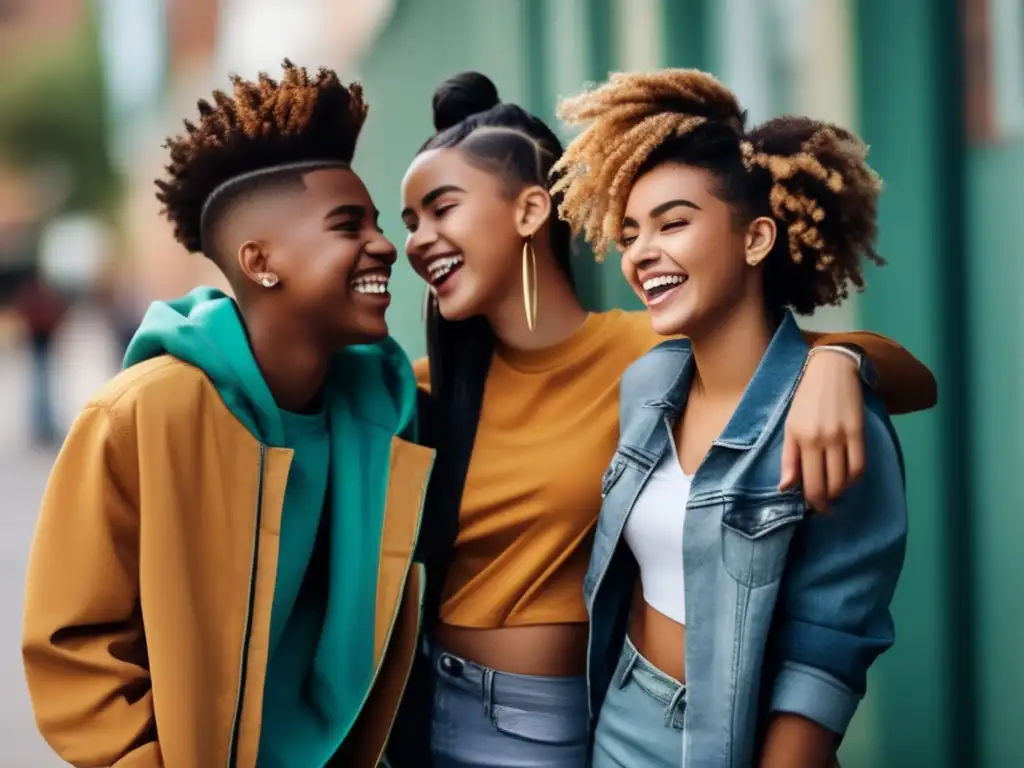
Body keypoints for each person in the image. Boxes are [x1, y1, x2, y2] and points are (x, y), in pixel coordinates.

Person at [390, 71, 935, 768]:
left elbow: (782, 357)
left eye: (441, 210)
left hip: (602, 724)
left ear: (531, 212)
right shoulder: (437, 388)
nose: (417, 242)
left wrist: (841, 363)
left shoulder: (638, 353)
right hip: (509, 708)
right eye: (629, 233)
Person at [21, 60, 433, 768]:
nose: (386, 244)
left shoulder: (390, 410)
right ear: (259, 260)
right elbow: (72, 642)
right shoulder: (142, 417)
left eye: (378, 222)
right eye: (348, 225)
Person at [551, 69, 909, 767]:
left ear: (756, 240)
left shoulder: (836, 417)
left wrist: (840, 363)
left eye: (673, 223)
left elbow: (827, 654)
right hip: (618, 717)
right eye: (629, 233)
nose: (641, 253)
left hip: (735, 741)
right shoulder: (647, 384)